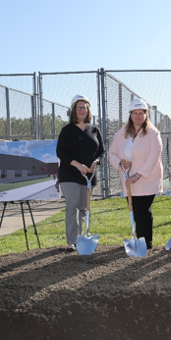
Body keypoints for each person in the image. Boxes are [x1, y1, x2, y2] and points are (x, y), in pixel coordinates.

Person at [108, 98, 163, 249]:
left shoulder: (153, 133)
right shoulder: (121, 134)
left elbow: (154, 156)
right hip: (128, 180)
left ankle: (146, 242)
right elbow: (111, 153)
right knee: (135, 210)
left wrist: (138, 175)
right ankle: (139, 240)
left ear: (146, 115)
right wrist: (120, 163)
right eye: (135, 113)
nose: (138, 116)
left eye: (141, 113)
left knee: (142, 210)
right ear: (130, 115)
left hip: (147, 179)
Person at [56, 94, 105, 252]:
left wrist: (96, 162)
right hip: (69, 173)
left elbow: (101, 151)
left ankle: (80, 238)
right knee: (73, 205)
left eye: (84, 107)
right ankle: (71, 241)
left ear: (88, 110)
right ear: (73, 111)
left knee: (83, 207)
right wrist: (78, 165)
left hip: (89, 175)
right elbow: (60, 152)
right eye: (78, 108)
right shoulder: (67, 130)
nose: (82, 110)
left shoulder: (94, 130)